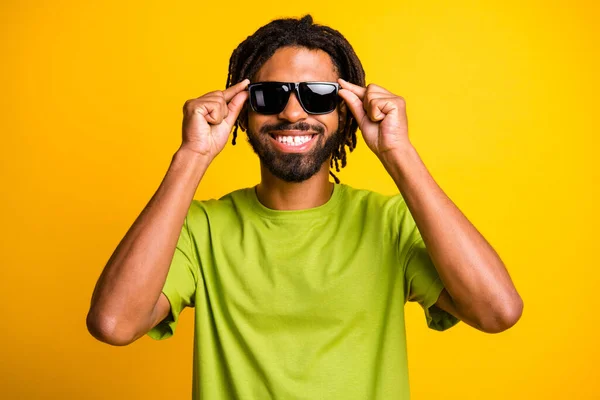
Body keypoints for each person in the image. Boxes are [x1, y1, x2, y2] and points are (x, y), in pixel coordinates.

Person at [87, 15, 523, 399]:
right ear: (241, 112)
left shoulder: (388, 224)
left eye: (317, 95)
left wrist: (398, 153)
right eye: (269, 96)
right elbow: (113, 323)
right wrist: (192, 156)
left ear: (346, 111)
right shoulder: (201, 230)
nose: (294, 112)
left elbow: (497, 311)